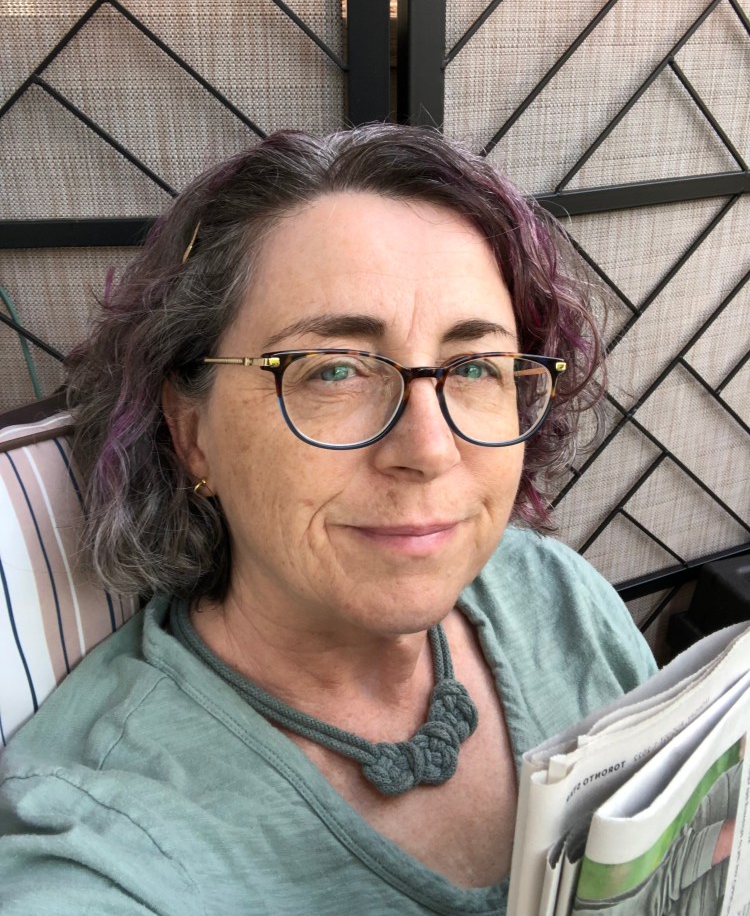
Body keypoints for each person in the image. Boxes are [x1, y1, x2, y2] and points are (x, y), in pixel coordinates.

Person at [0, 125, 656, 914]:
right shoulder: (109, 844)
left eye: (475, 367)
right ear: (192, 431)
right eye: (334, 370)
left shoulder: (554, 594)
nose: (430, 449)